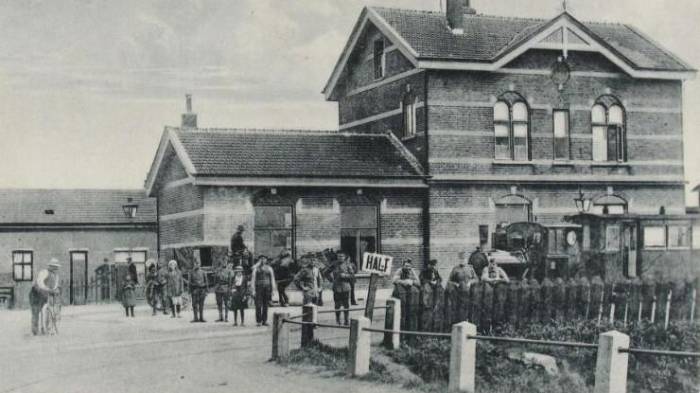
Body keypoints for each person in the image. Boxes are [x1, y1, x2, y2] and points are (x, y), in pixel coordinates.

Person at [29, 259, 60, 335]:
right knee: (36, 312)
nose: (55, 268)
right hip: (36, 294)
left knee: (47, 312)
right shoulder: (44, 272)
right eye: (54, 266)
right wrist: (49, 290)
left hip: (45, 295)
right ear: (50, 266)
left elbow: (55, 286)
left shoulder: (56, 276)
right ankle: (35, 331)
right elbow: (40, 283)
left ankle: (46, 329)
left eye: (56, 267)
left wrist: (54, 290)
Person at [328, 252, 355, 326]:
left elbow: (352, 275)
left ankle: (346, 320)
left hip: (345, 287)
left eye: (342, 256)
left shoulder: (347, 265)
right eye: (339, 256)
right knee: (337, 305)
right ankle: (338, 320)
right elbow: (326, 272)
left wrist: (345, 276)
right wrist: (331, 279)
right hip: (336, 288)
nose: (340, 258)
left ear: (344, 257)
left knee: (346, 305)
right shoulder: (334, 264)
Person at [250, 255, 277, 327]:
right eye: (261, 259)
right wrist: (253, 290)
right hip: (258, 288)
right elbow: (253, 279)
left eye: (264, 259)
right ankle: (259, 321)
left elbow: (272, 279)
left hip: (267, 288)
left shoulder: (270, 268)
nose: (262, 260)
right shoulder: (256, 268)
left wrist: (273, 290)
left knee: (266, 305)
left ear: (266, 260)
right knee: (258, 305)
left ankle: (264, 320)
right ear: (259, 260)